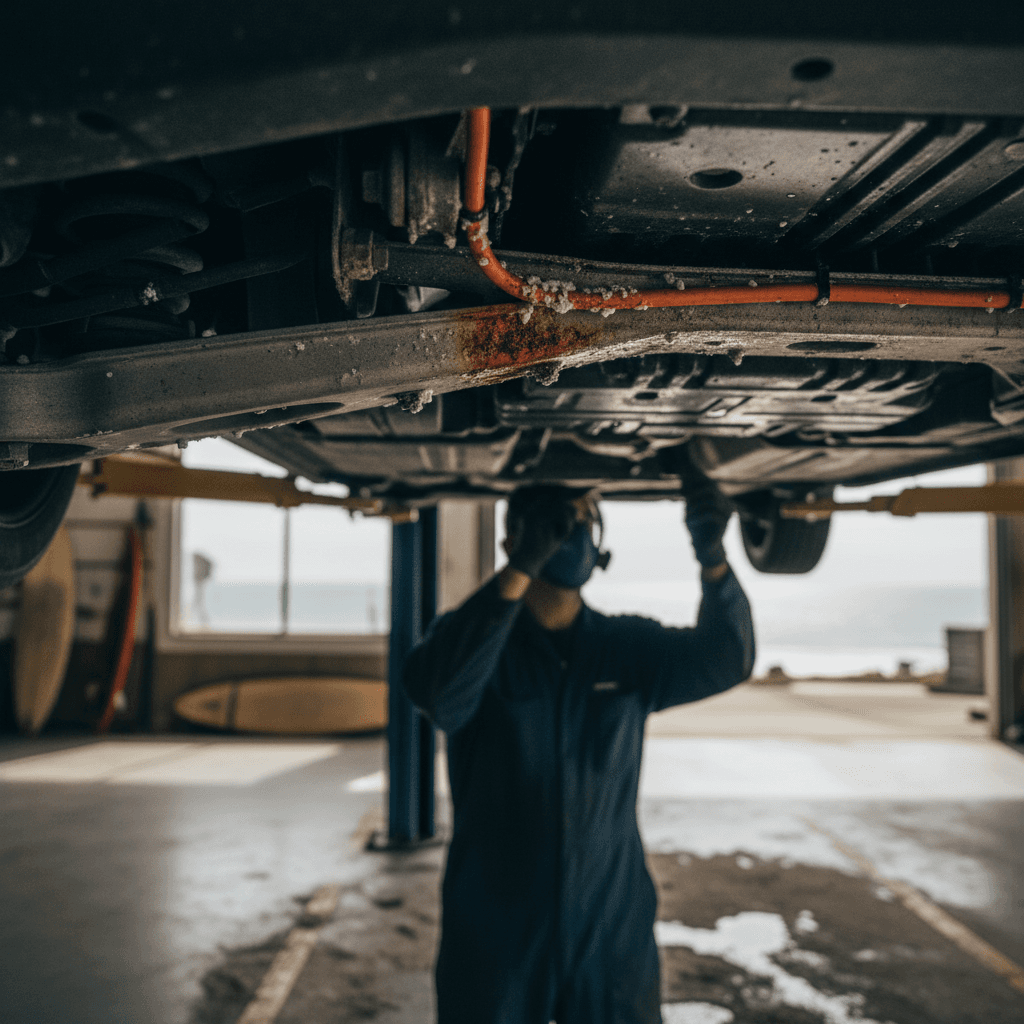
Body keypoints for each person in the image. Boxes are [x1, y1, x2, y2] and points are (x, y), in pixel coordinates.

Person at [403, 472, 755, 1024]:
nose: (569, 534)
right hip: (496, 931)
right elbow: (437, 695)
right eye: (553, 525)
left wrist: (713, 559)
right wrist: (521, 568)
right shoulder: (475, 645)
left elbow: (726, 659)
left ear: (600, 545)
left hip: (609, 928)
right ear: (512, 540)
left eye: (581, 521)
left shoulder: (626, 647)